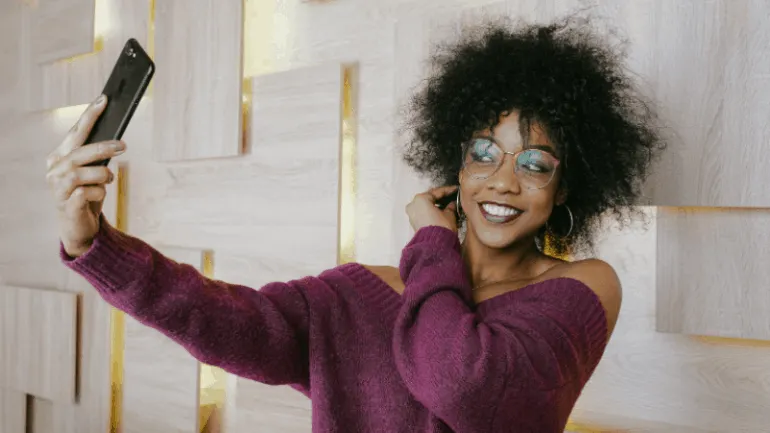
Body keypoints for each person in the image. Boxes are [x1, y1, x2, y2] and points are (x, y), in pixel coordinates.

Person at [46, 16, 664, 433]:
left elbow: (460, 384)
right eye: (483, 153)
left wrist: (431, 240)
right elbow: (215, 316)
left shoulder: (581, 289)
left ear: (565, 187)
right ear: (456, 165)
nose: (502, 181)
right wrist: (92, 241)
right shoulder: (355, 294)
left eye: (534, 164)